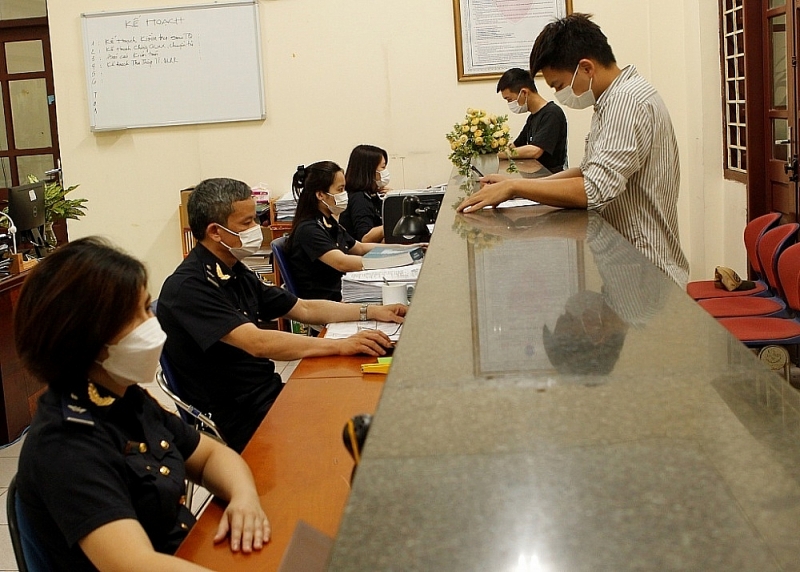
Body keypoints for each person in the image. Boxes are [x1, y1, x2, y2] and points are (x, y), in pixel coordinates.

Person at [14, 237, 269, 571]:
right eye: (133, 318)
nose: (151, 324)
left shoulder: (124, 396)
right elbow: (134, 564)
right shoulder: (66, 443)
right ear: (86, 339)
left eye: (146, 307)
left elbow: (210, 455)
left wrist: (244, 497)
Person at [157, 177, 405, 452]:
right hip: (236, 413)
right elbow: (258, 343)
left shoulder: (233, 269)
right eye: (247, 223)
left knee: (360, 402)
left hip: (265, 393)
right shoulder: (190, 287)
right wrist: (339, 345)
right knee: (347, 431)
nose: (257, 229)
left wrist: (371, 310)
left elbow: (303, 308)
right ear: (215, 231)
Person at [457, 13, 689, 287]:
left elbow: (593, 189)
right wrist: (515, 182)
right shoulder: (610, 101)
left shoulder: (627, 102)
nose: (560, 94)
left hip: (645, 269)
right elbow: (587, 171)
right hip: (626, 263)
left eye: (560, 85)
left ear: (586, 68)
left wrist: (515, 190)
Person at [287, 161, 381, 301]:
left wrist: (406, 249)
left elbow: (360, 247)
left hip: (342, 292)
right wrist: (389, 261)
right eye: (340, 189)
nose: (344, 194)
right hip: (326, 301)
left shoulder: (328, 221)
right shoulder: (308, 229)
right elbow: (342, 262)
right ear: (320, 195)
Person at [496, 67, 568, 174]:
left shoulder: (552, 114)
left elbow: (535, 151)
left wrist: (499, 154)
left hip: (551, 177)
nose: (510, 104)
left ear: (524, 92)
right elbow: (516, 145)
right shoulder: (532, 117)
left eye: (509, 99)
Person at [340, 144, 390, 242]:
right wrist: (393, 225)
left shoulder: (373, 195)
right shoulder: (359, 198)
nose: (385, 171)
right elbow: (365, 237)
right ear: (369, 170)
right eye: (383, 167)